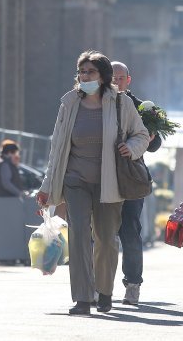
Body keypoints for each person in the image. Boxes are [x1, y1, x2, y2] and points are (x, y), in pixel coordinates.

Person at [36, 51, 149, 316]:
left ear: (104, 76)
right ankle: (83, 298)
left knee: (106, 240)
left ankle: (105, 292)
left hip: (110, 182)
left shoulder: (121, 103)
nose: (84, 77)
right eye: (81, 72)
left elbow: (141, 135)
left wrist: (130, 148)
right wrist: (46, 186)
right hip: (75, 180)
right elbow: (57, 148)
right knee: (78, 237)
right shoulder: (69, 104)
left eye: (90, 72)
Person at [111, 61, 162, 305]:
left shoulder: (142, 107)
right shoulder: (97, 103)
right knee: (99, 232)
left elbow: (155, 144)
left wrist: (148, 138)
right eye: (112, 77)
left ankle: (133, 285)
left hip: (131, 177)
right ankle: (99, 285)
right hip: (103, 176)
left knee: (130, 231)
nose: (116, 81)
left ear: (128, 80)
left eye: (121, 78)